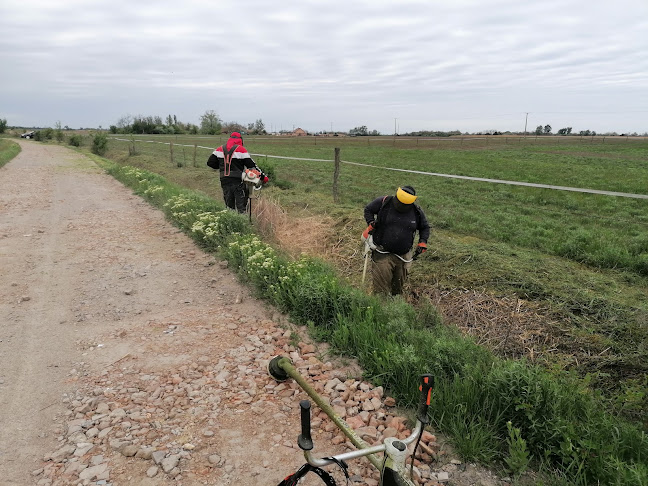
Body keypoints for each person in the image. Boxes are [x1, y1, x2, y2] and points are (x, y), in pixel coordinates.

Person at [363, 186, 430, 296]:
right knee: (380, 291)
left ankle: (394, 307)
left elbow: (425, 227)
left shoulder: (416, 211)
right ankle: (380, 307)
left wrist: (423, 241)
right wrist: (371, 222)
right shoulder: (384, 202)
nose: (401, 205)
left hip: (403, 256)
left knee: (397, 291)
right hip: (382, 253)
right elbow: (368, 210)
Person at [207, 132, 268, 213]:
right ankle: (243, 223)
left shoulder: (219, 149)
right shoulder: (241, 150)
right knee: (241, 208)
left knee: (229, 208)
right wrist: (264, 178)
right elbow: (253, 167)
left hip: (224, 181)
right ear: (240, 141)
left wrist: (223, 167)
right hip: (238, 181)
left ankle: (230, 223)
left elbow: (210, 163)